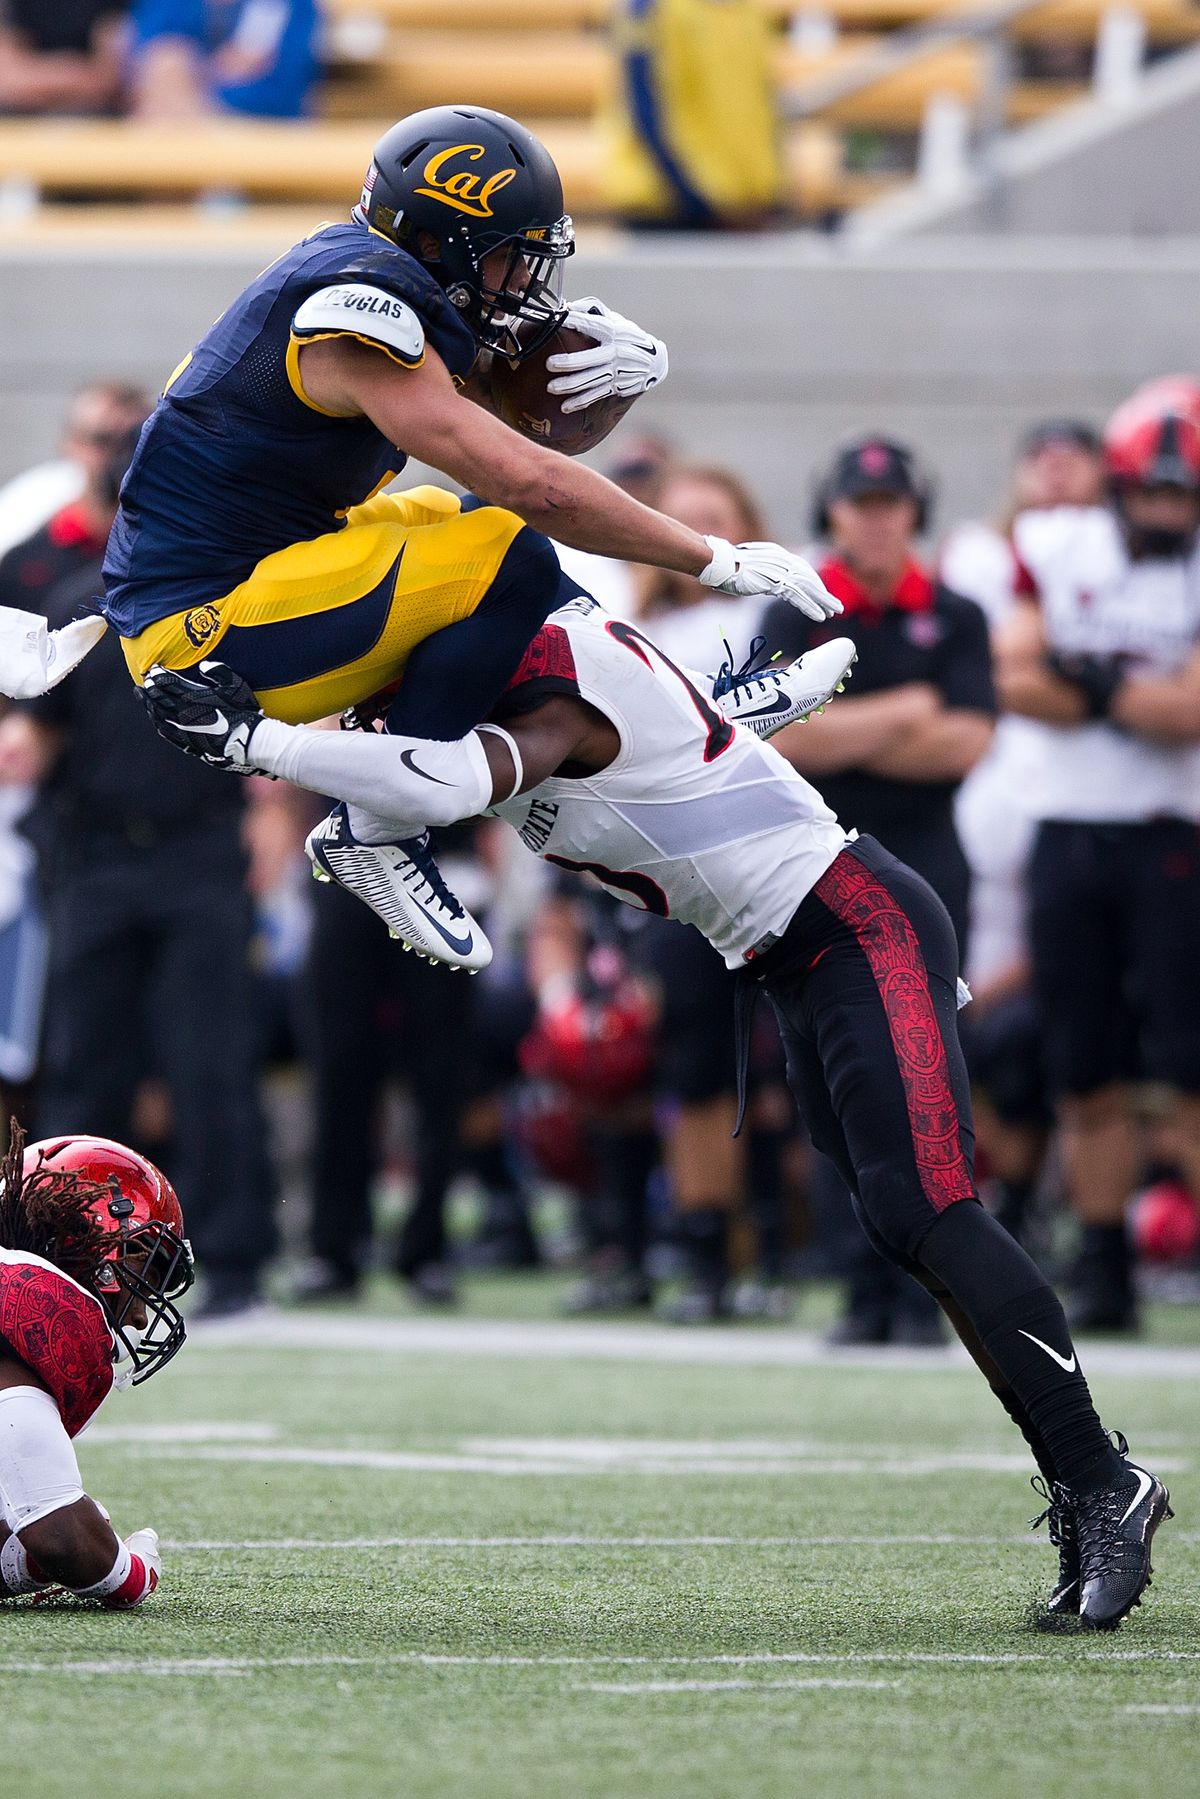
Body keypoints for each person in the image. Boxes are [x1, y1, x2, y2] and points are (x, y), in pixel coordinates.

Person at [144, 598, 1171, 1632]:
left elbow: (455, 778)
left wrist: (259, 742)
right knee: (900, 1219)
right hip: (795, 955)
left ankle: (1097, 1475)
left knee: (927, 1206)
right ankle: (1087, 1476)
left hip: (856, 924)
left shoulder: (551, 696)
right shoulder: (547, 664)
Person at [0, 104, 840, 972]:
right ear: (446, 239)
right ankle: (378, 829)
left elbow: (496, 421)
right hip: (203, 622)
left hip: (257, 569)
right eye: (513, 255)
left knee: (474, 531)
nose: (525, 284)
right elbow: (529, 478)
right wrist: (714, 556)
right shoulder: (362, 317)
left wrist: (617, 370)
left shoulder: (376, 277)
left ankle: (677, 699)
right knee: (509, 552)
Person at [0, 426, 276, 1323]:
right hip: (96, 858)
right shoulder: (78, 615)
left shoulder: (239, 614)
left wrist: (268, 849)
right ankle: (54, 1258)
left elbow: (275, 756)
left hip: (201, 853)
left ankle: (232, 1261)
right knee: (85, 1067)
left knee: (213, 1065)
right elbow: (30, 745)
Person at [762, 436, 996, 1345]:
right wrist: (907, 712)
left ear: (914, 510)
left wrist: (841, 722)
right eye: (861, 503)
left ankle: (930, 1293)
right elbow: (784, 739)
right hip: (819, 863)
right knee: (834, 1071)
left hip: (929, 859)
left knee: (933, 1072)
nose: (876, 517)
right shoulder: (798, 608)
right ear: (835, 510)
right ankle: (861, 1281)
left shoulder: (958, 614)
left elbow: (966, 744)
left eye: (891, 502)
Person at [995, 377, 1200, 1333]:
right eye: (1153, 492)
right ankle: (1107, 1260)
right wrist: (1130, 695)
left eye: (1181, 496)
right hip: (1070, 827)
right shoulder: (1054, 542)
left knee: (1187, 1060)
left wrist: (1092, 686)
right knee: (1085, 1064)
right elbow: (1016, 678)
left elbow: (1188, 713)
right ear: (1119, 486)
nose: (1166, 511)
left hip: (1172, 830)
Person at [0, 1128, 192, 1608]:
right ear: (101, 1257)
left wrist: (27, 1563)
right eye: (145, 1272)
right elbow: (66, 1541)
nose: (142, 1315)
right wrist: (131, 1575)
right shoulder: (13, 1367)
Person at [128, 0, 318, 120]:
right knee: (167, 63)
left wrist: (198, 90)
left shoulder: (290, 5)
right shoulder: (170, 6)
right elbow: (144, 65)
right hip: (166, 126)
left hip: (259, 131)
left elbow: (282, 91)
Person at [0, 0, 127, 116]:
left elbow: (106, 81)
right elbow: (8, 80)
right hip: (20, 114)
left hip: (95, 117)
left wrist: (31, 75)